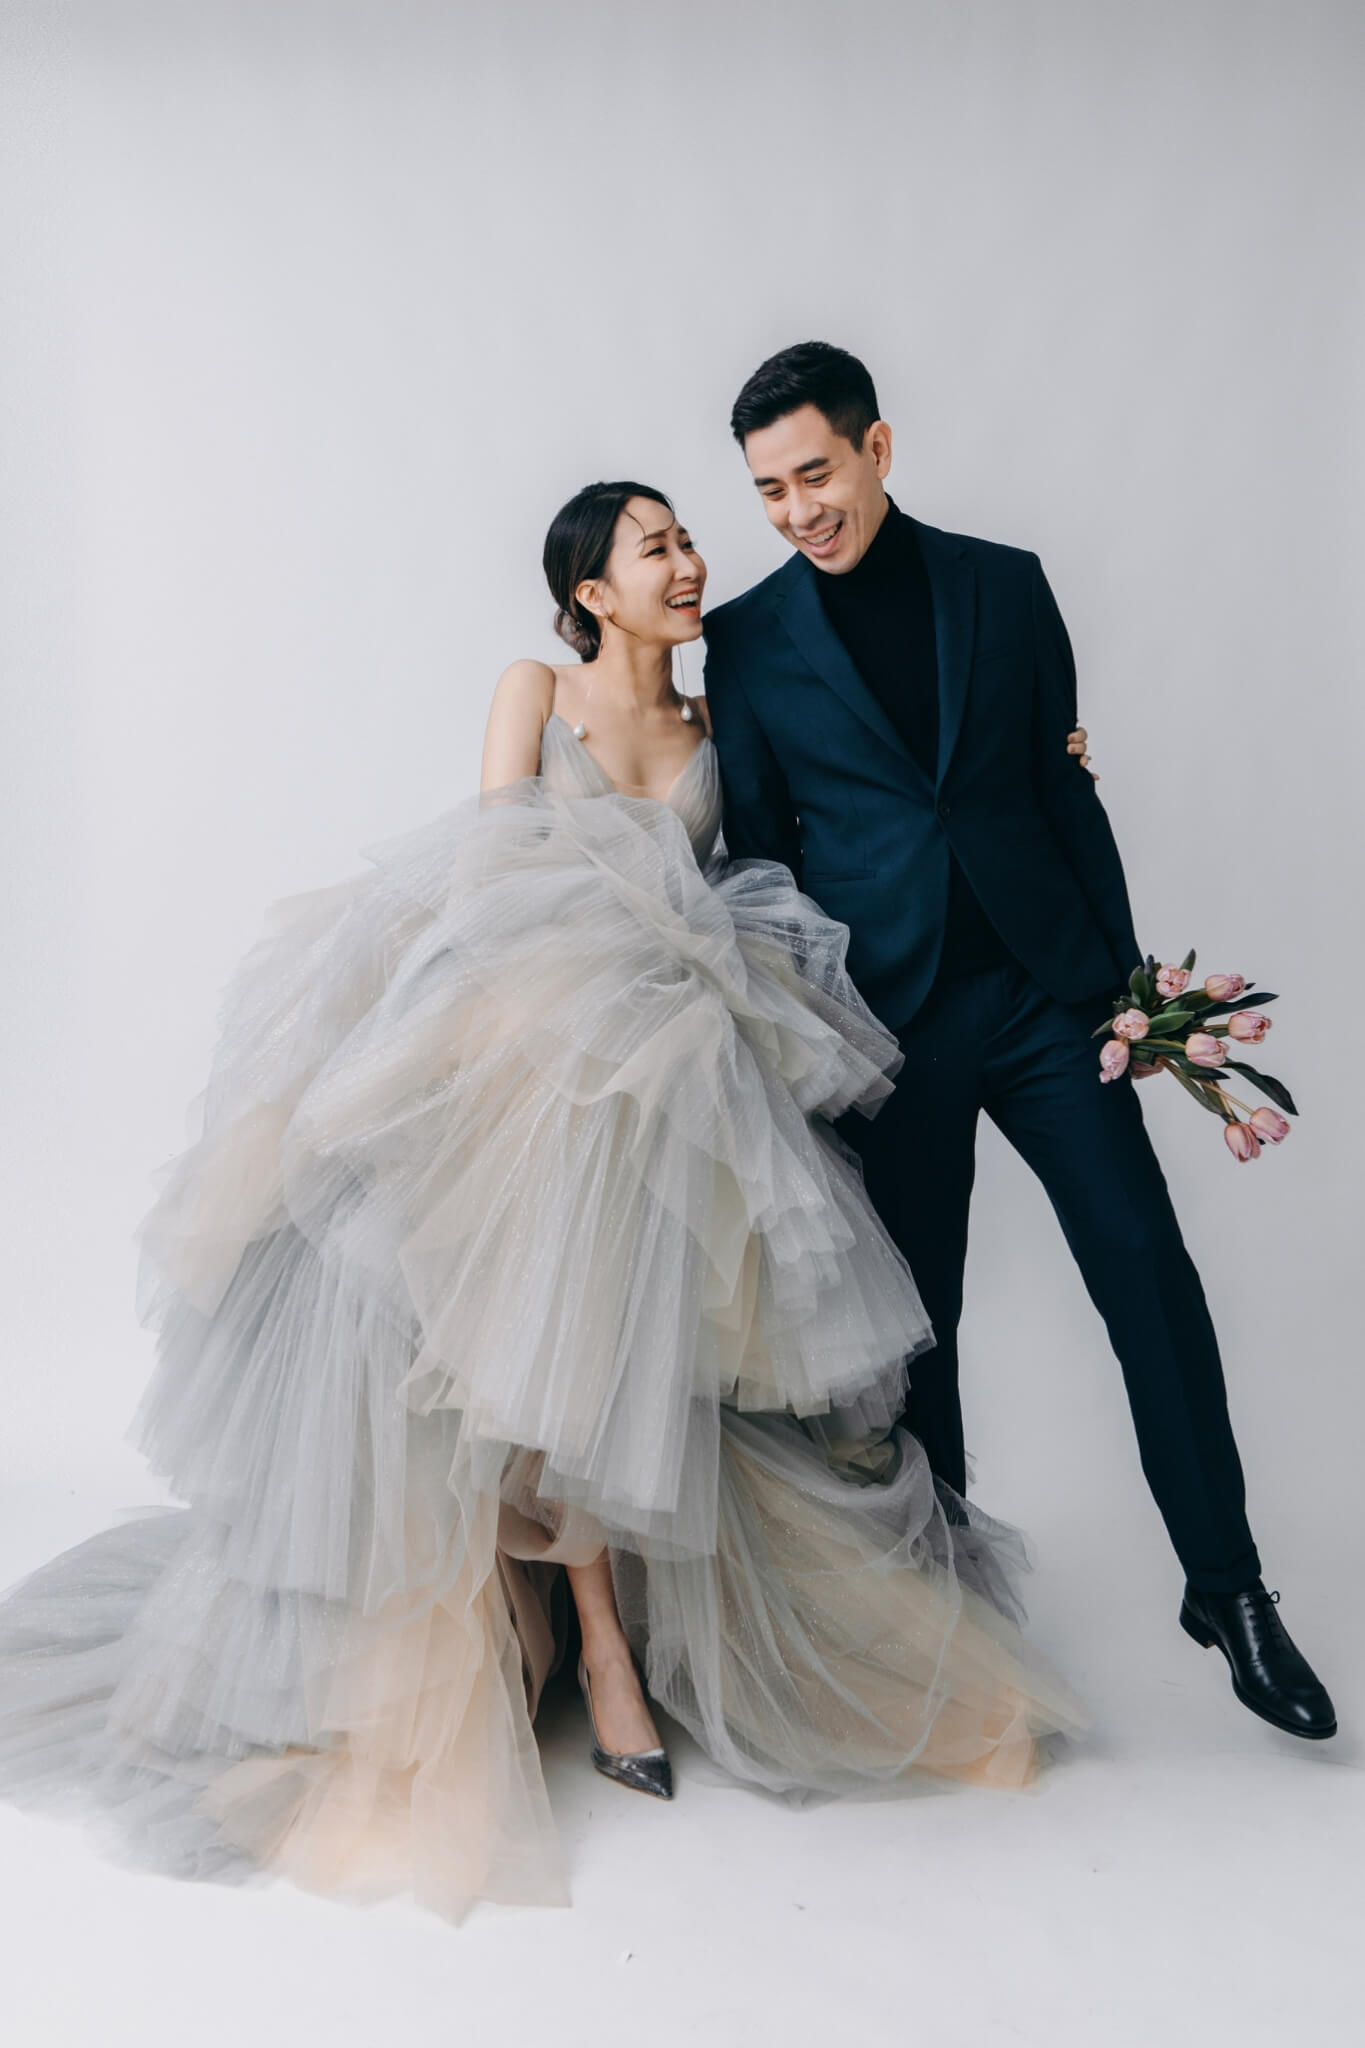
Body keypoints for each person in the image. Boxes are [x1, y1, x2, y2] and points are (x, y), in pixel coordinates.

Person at [0, 480, 1095, 1924]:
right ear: (591, 590)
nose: (690, 564)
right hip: (532, 1025)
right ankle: (593, 1636)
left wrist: (1037, 758)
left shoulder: (719, 723)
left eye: (687, 542)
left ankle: (614, 1628)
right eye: (659, 548)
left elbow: (796, 848)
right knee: (534, 1238)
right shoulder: (535, 687)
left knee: (631, 1278)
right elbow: (489, 874)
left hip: (673, 1054)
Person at [703, 341, 1335, 1742]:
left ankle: (1228, 1589)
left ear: (876, 448)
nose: (798, 510)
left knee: (1149, 1278)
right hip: (891, 1027)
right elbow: (760, 864)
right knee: (920, 1331)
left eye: (815, 473)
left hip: (1049, 1005)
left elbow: (1063, 793)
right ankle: (955, 1620)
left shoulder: (1005, 584)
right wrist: (810, 1048)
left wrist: (1125, 987)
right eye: (768, 491)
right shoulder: (744, 641)